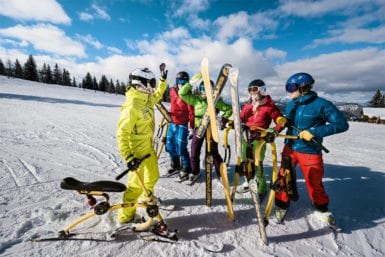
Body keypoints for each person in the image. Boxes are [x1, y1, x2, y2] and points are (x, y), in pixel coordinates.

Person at [274, 72, 349, 225]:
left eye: (291, 87)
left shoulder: (322, 104)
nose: (289, 91)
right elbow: (287, 122)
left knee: (313, 180)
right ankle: (282, 204)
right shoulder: (292, 104)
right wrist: (278, 126)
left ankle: (321, 207)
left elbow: (342, 124)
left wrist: (314, 132)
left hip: (309, 150)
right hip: (290, 146)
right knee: (283, 177)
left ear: (303, 87)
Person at [116, 65, 168, 223]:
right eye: (151, 82)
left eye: (153, 82)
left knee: (153, 176)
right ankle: (126, 217)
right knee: (135, 187)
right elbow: (122, 133)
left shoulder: (145, 100)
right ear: (141, 83)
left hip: (148, 149)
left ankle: (146, 199)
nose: (152, 86)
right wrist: (129, 157)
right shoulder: (132, 105)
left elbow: (158, 94)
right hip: (137, 154)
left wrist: (162, 81)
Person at [239, 79, 287, 200]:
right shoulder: (248, 104)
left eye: (255, 90)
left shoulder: (269, 106)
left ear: (262, 90)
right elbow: (240, 118)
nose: (252, 93)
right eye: (250, 90)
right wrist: (234, 122)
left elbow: (280, 122)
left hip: (260, 137)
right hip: (246, 135)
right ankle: (248, 180)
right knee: (245, 160)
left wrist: (273, 131)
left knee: (257, 163)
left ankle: (262, 188)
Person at [179, 77, 232, 181]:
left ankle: (220, 173)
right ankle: (195, 171)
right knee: (194, 151)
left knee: (213, 152)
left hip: (211, 128)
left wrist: (223, 119)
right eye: (202, 89)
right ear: (199, 89)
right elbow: (182, 93)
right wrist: (190, 83)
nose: (204, 92)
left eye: (207, 89)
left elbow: (229, 109)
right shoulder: (196, 99)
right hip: (199, 128)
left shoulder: (216, 100)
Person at [165, 71, 194, 176]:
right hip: (172, 122)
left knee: (181, 146)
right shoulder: (172, 91)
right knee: (169, 145)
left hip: (182, 123)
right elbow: (173, 105)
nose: (182, 84)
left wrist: (192, 127)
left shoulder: (188, 95)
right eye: (180, 81)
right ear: (176, 82)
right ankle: (175, 165)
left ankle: (186, 166)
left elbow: (191, 112)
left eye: (185, 82)